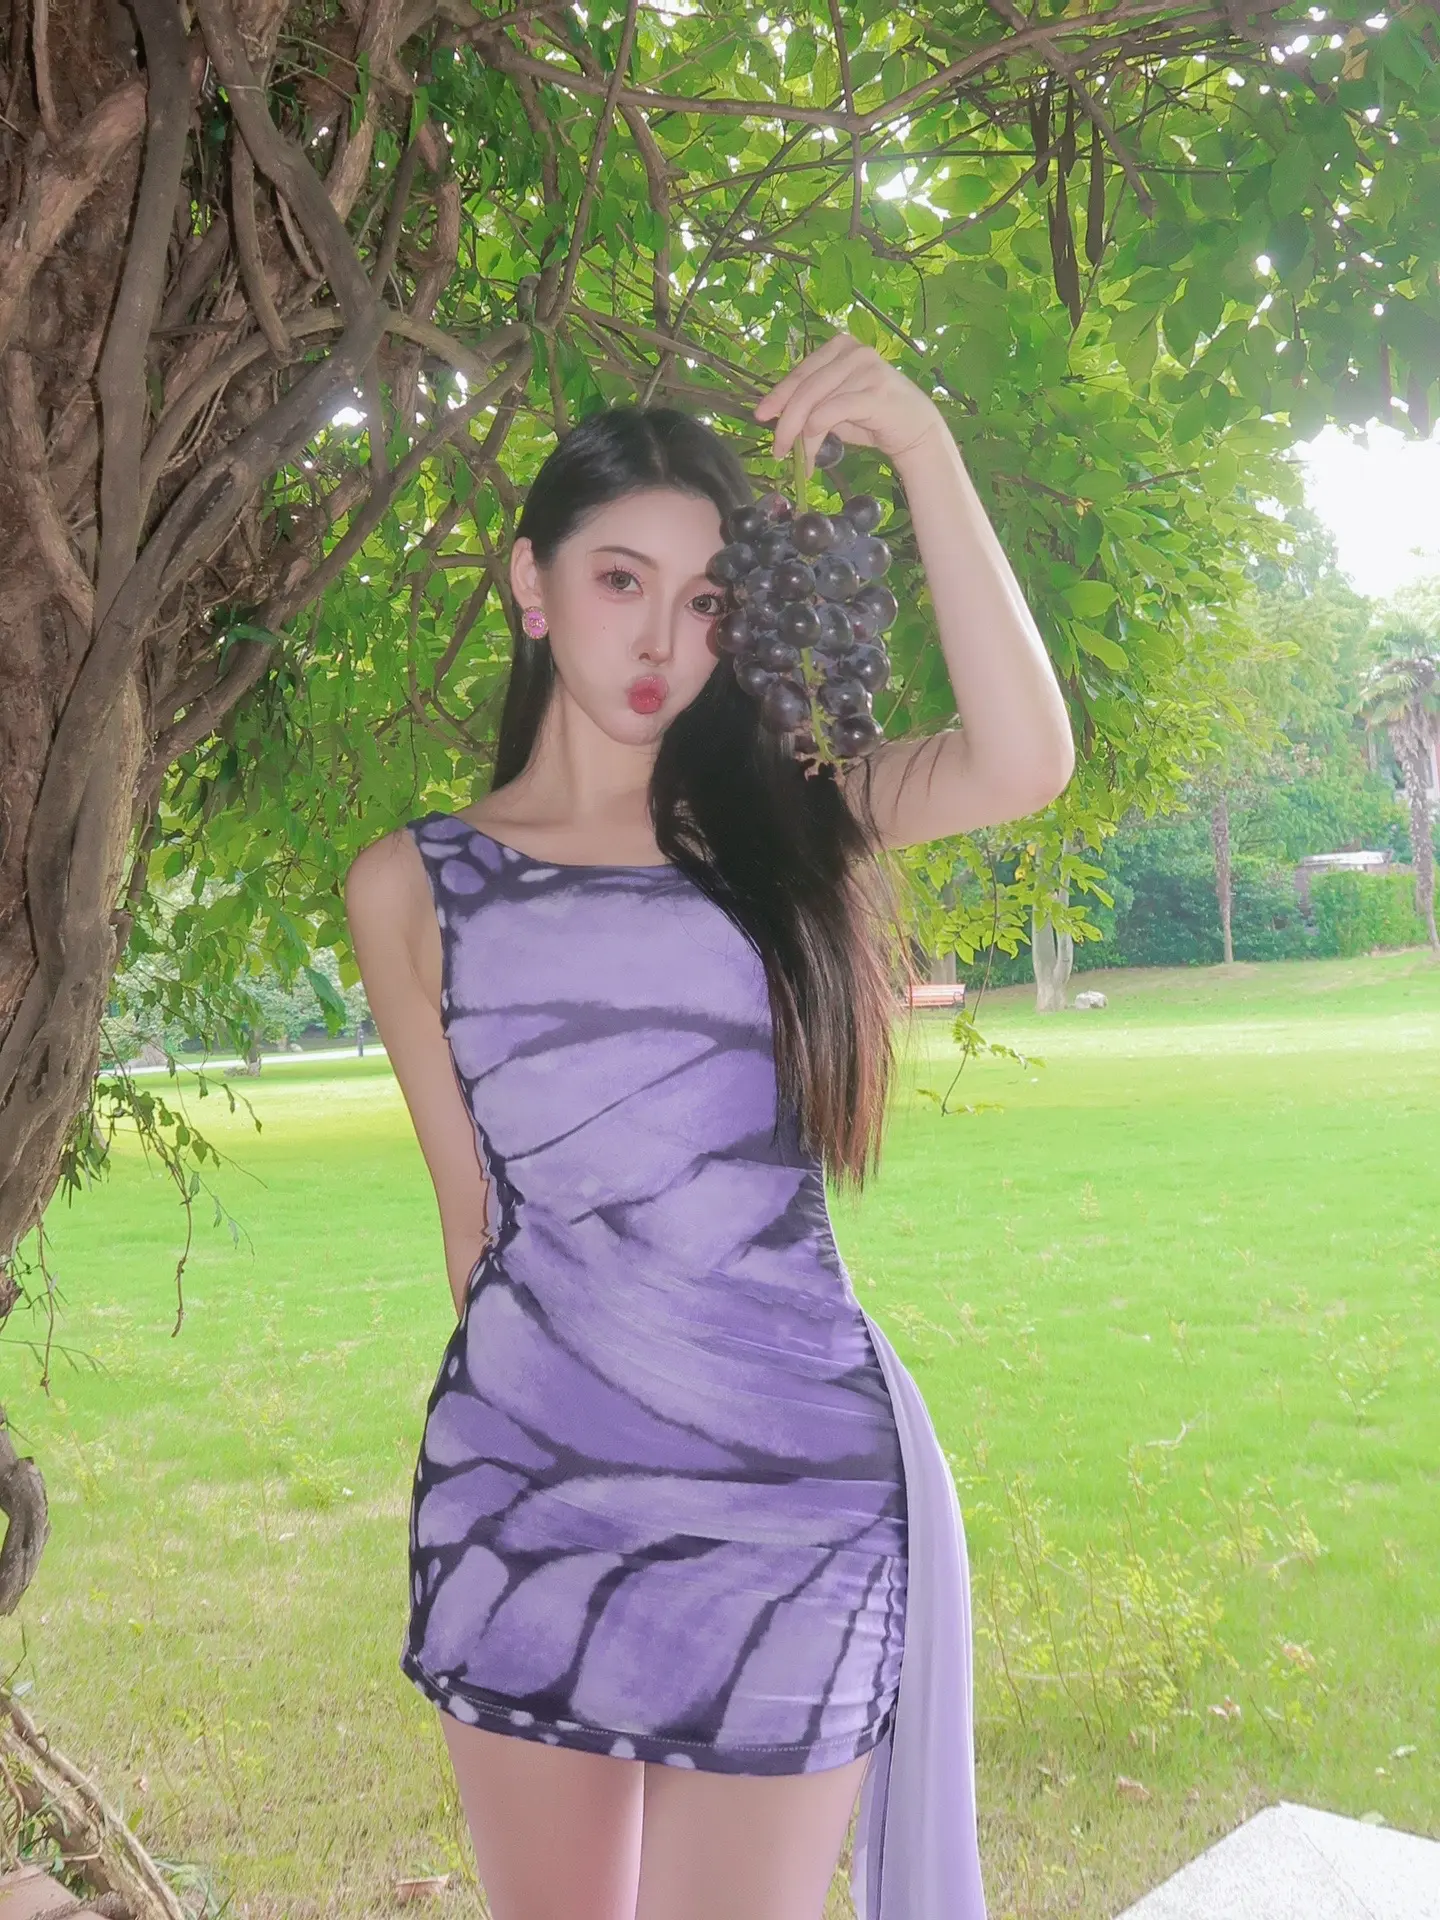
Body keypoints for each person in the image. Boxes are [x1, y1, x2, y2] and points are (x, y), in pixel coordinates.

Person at [344, 333, 1074, 1920]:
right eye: (622, 581)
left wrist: (924, 445)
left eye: (706, 600)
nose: (662, 639)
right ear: (531, 585)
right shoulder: (412, 886)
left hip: (790, 1499)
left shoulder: (788, 821)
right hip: (526, 1493)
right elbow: (476, 1232)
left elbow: (1025, 758)